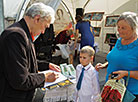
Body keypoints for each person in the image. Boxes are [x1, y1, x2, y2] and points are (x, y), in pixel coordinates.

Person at [0, 2, 61, 102]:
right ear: (37, 19)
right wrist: (44, 77)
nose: (43, 32)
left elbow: (23, 62)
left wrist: (46, 65)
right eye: (45, 27)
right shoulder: (16, 36)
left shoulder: (23, 33)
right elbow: (20, 80)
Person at [95, 12, 138, 102]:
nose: (119, 30)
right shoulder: (119, 41)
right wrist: (105, 65)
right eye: (118, 27)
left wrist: (126, 73)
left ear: (134, 28)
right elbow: (116, 57)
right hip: (111, 88)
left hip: (129, 94)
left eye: (123, 28)